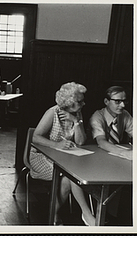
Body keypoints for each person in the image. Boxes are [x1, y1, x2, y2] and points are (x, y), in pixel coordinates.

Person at [30, 82, 95, 226]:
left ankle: (54, 214)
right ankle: (87, 215)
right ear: (69, 102)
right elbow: (35, 137)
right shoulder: (52, 112)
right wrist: (57, 145)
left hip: (65, 160)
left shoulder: (78, 114)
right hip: (41, 157)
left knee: (68, 177)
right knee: (69, 175)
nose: (83, 103)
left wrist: (77, 122)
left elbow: (81, 142)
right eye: (79, 101)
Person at [89, 86, 133, 160]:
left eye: (124, 101)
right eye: (117, 101)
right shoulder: (97, 116)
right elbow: (101, 141)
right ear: (106, 102)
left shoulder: (125, 114)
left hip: (115, 155)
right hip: (97, 156)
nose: (123, 105)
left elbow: (136, 134)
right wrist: (124, 153)